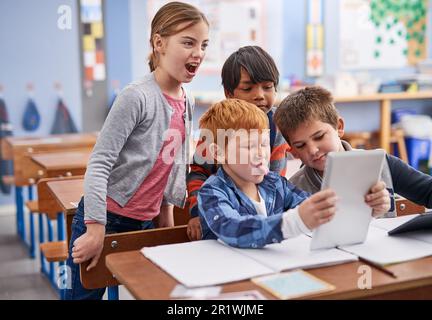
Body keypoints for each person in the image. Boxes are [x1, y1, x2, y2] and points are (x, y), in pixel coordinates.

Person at [65, 1, 209, 300]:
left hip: (145, 222)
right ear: (159, 43)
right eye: (188, 42)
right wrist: (95, 228)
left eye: (203, 45)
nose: (199, 53)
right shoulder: (136, 96)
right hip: (105, 218)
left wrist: (166, 217)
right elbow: (100, 164)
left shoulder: (186, 99)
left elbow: (173, 163)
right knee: (80, 298)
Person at [196, 99, 342, 248]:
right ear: (219, 152)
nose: (261, 154)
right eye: (249, 146)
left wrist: (334, 207)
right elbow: (234, 230)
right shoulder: (212, 192)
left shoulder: (276, 183)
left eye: (264, 144)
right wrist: (294, 222)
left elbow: (309, 205)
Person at [273, 86, 432, 216]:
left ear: (339, 127)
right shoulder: (293, 190)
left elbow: (428, 192)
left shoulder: (381, 164)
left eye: (319, 136)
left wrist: (383, 206)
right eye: (301, 145)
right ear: (293, 151)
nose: (313, 150)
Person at [187, 46, 291, 241]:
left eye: (267, 87)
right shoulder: (218, 125)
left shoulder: (278, 123)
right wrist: (196, 212)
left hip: (266, 216)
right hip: (223, 217)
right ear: (229, 93)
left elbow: (276, 179)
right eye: (247, 88)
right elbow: (198, 172)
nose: (259, 94)